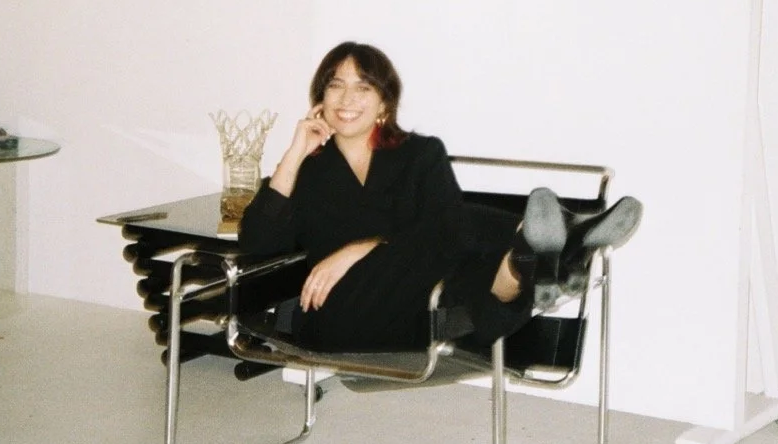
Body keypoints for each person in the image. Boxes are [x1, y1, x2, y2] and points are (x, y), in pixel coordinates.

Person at [239, 41, 641, 352]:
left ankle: (529, 261)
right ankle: (567, 250)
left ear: (384, 102)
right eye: (336, 86)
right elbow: (258, 244)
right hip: (343, 312)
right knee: (450, 226)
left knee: (456, 245)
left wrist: (362, 246)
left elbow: (443, 234)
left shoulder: (419, 153)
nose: (347, 100)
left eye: (363, 88)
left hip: (427, 301)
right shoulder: (307, 170)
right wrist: (293, 153)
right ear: (320, 98)